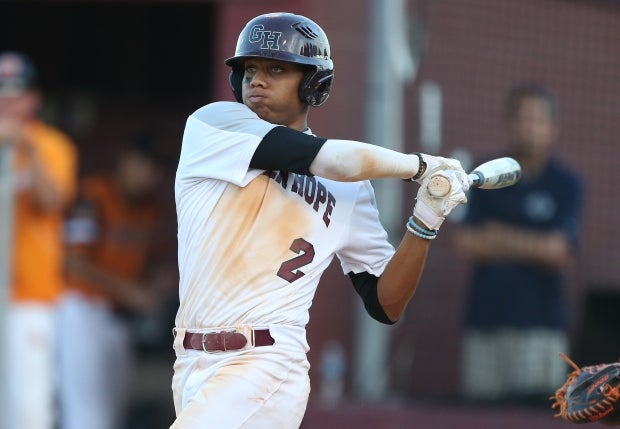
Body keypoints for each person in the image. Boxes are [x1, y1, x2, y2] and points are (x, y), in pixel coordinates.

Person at [171, 12, 470, 428]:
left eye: (276, 69)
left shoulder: (352, 192)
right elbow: (337, 161)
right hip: (190, 363)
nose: (257, 80)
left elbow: (386, 303)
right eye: (250, 69)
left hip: (266, 362)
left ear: (313, 83)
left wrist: (426, 219)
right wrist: (422, 165)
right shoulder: (213, 126)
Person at [453, 83, 585, 405]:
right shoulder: (484, 174)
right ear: (510, 123)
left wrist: (497, 236)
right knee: (480, 414)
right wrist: (534, 245)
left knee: (536, 415)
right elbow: (467, 243)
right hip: (486, 322)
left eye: (538, 120)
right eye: (523, 119)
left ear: (552, 128)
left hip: (541, 326)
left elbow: (559, 252)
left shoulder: (566, 183)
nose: (530, 127)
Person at [57, 136, 168, 429]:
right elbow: (73, 263)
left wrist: (155, 281)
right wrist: (130, 291)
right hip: (82, 312)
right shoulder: (93, 195)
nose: (148, 176)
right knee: (87, 416)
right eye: (143, 166)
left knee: (112, 415)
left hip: (120, 320)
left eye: (155, 170)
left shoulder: (149, 208)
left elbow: (146, 265)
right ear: (126, 161)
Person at [0, 51, 78, 429]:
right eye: (1, 91)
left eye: (16, 91)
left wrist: (24, 146)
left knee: (30, 410)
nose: (8, 100)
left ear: (34, 98)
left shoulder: (52, 145)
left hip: (29, 296)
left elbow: (53, 200)